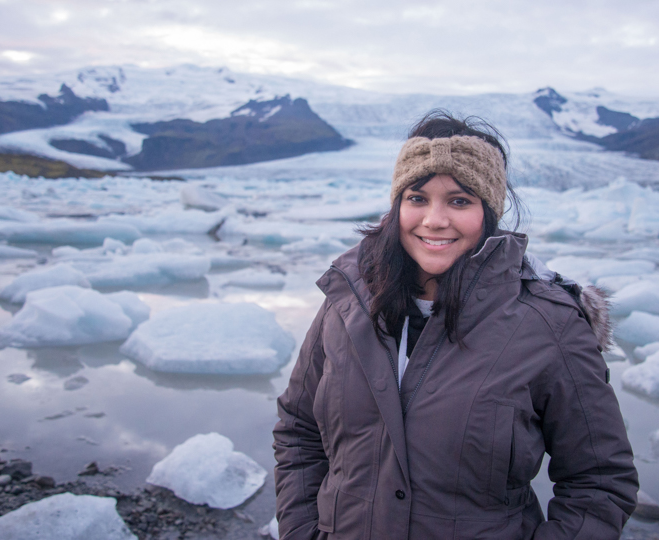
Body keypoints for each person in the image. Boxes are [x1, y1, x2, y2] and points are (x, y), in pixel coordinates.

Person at [273, 111, 638, 539]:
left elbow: (599, 482)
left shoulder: (547, 323)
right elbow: (299, 431)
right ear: (397, 205)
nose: (434, 219)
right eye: (417, 198)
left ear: (489, 211)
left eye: (460, 201)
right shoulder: (348, 304)